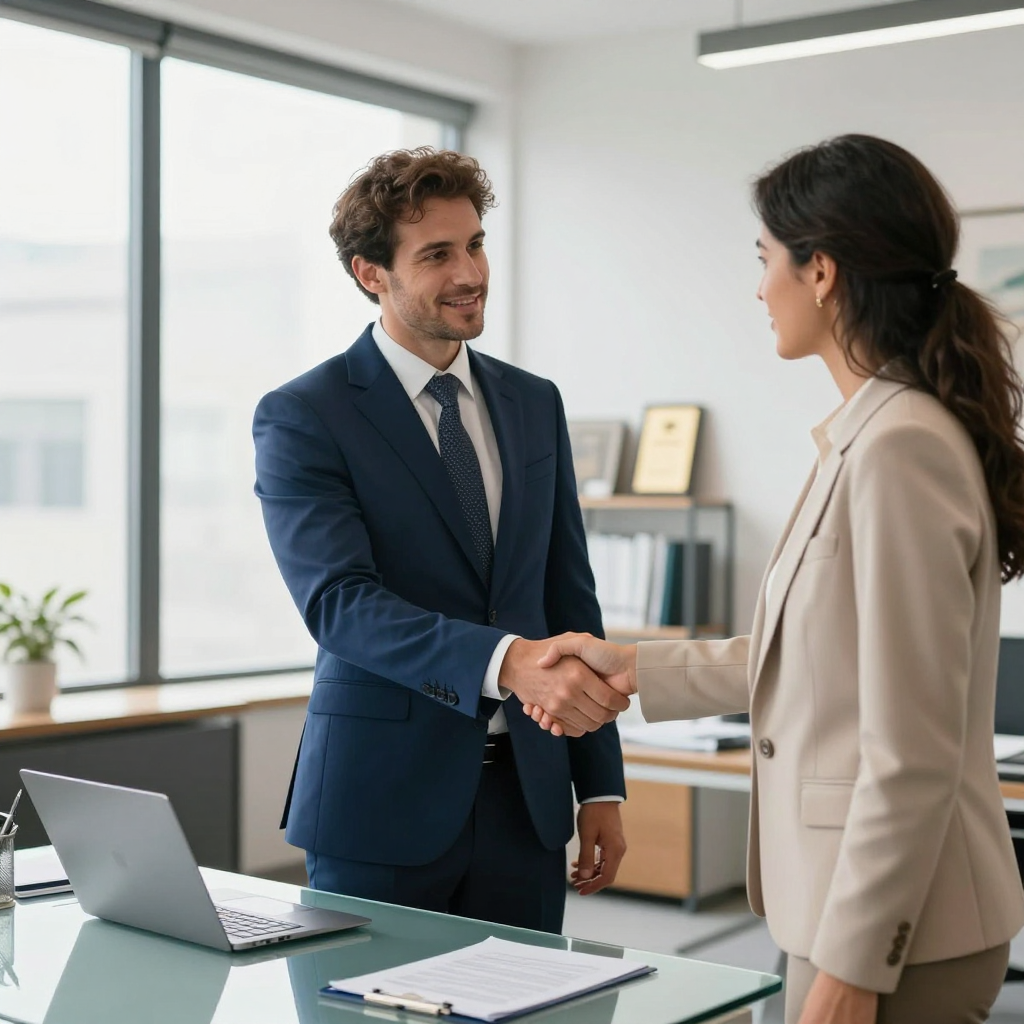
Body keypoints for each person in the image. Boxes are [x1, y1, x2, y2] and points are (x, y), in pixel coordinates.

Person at [526, 134, 1024, 1021]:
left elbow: (913, 749)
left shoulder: (901, 446)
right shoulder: (870, 433)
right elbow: (822, 651)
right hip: (846, 904)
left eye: (766, 261)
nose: (760, 289)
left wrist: (855, 966)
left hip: (892, 928)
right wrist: (635, 666)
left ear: (822, 270)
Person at [252, 148, 628, 934]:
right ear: (370, 272)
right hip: (377, 804)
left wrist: (599, 784)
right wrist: (507, 662)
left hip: (527, 802)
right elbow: (340, 606)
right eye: (437, 255)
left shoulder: (533, 402)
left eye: (476, 244)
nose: (470, 272)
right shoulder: (306, 414)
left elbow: (569, 595)